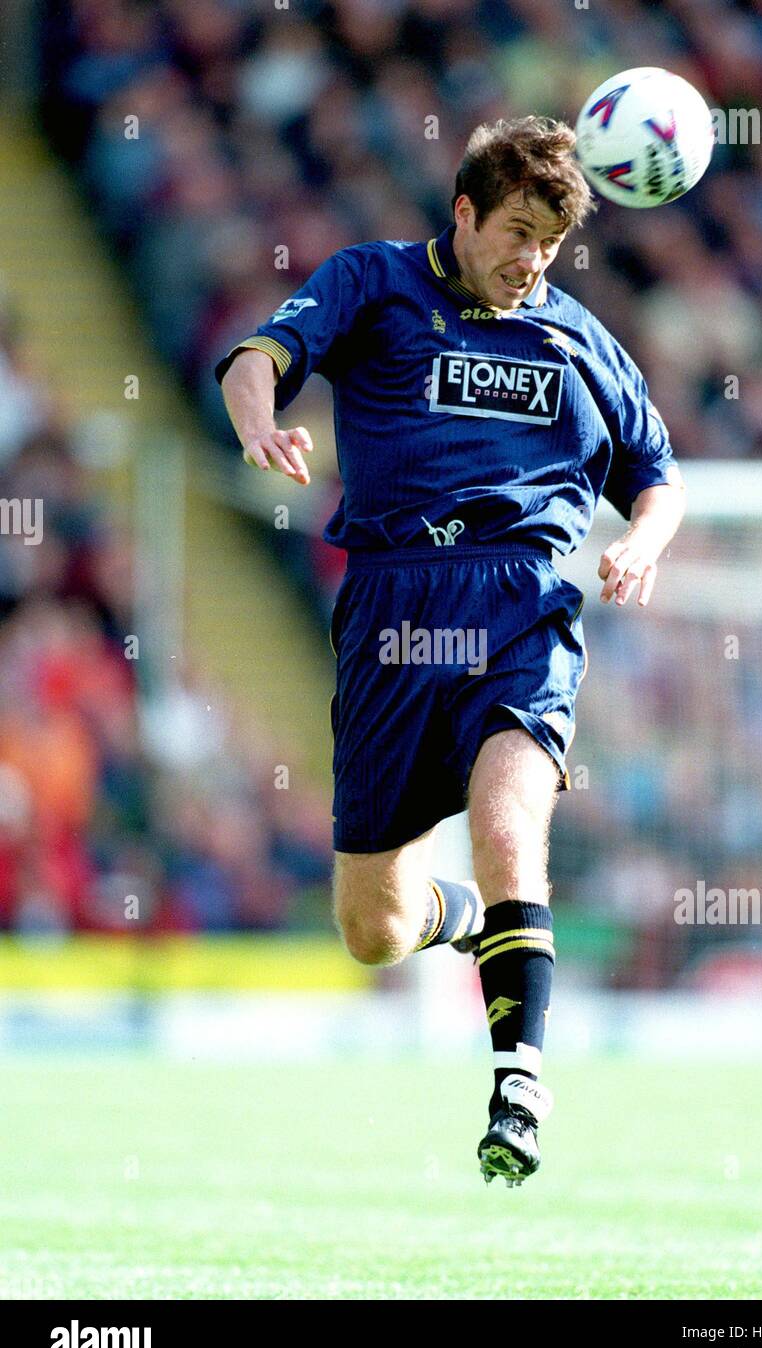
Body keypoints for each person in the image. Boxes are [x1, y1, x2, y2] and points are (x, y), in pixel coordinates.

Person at [217, 116, 686, 1186]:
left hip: (521, 602)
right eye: (515, 233)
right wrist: (258, 421)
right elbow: (259, 357)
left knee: (505, 816)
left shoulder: (580, 342)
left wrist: (641, 543)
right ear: (463, 212)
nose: (530, 262)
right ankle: (468, 920)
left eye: (549, 247)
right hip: (388, 615)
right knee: (374, 930)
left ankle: (517, 1078)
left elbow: (656, 473)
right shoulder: (373, 284)